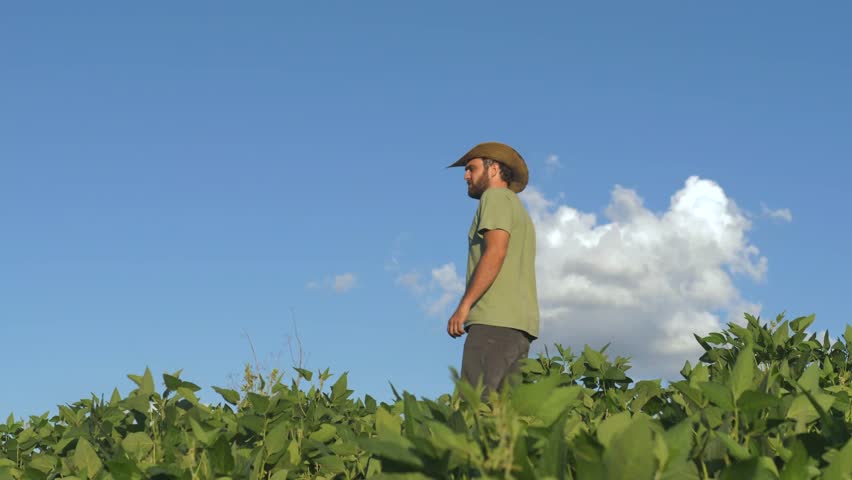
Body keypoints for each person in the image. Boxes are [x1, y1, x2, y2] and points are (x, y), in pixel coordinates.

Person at [446, 141, 540, 399]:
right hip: (519, 327)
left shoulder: (495, 198)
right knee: (504, 419)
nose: (466, 176)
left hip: (492, 322)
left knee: (477, 410)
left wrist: (464, 306)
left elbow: (495, 252)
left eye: (471, 169)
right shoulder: (517, 208)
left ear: (494, 169)